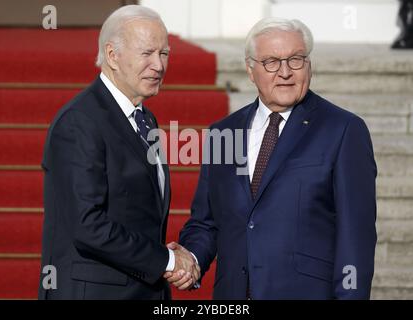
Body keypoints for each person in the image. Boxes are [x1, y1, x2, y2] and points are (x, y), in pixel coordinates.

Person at [171, 17, 377, 299]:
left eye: (295, 60)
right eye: (271, 62)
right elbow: (206, 222)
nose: (285, 72)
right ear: (250, 69)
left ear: (309, 65)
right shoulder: (223, 132)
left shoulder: (343, 130)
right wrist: (191, 258)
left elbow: (356, 238)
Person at [38, 5, 199, 300]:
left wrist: (163, 258)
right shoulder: (79, 122)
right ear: (112, 55)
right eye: (147, 53)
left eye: (164, 54)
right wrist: (167, 261)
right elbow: (87, 225)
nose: (159, 65)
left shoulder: (144, 118)